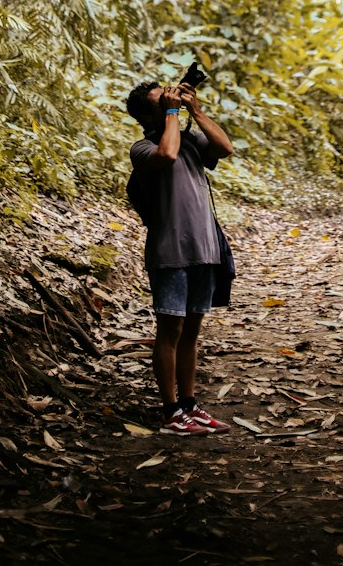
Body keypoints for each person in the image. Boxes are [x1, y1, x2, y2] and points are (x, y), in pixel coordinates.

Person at [126, 77, 234, 434]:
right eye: (162, 101)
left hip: (204, 249)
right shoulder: (142, 149)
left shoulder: (190, 140)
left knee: (191, 332)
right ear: (148, 115)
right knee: (169, 331)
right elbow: (166, 154)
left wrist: (195, 110)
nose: (170, 101)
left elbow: (225, 147)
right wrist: (172, 112)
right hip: (170, 252)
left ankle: (190, 405)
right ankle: (171, 411)